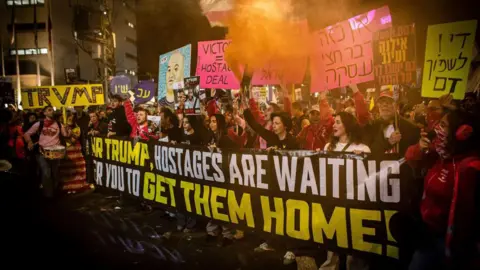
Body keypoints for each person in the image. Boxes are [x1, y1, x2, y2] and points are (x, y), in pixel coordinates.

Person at [406, 109, 480, 270]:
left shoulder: (469, 168)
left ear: (461, 133)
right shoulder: (441, 154)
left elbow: (464, 217)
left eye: (444, 125)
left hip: (448, 243)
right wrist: (420, 147)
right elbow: (410, 157)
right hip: (427, 234)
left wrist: (454, 250)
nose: (438, 128)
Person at [317, 112, 372, 270]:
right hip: (333, 199)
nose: (333, 125)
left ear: (348, 126)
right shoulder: (328, 147)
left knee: (353, 240)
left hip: (354, 202)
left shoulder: (362, 148)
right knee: (332, 238)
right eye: (334, 122)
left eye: (338, 122)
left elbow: (368, 178)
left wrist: (362, 160)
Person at [24, 106, 67, 199]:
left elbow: (65, 134)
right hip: (42, 152)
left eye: (52, 110)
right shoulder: (39, 124)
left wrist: (68, 129)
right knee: (46, 172)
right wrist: (29, 141)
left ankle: (54, 191)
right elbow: (27, 134)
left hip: (55, 153)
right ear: (44, 113)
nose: (51, 111)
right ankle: (48, 195)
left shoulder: (59, 124)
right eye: (49, 110)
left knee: (55, 173)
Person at [364, 90, 419, 156]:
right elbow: (369, 151)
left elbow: (413, 153)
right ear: (378, 106)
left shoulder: (410, 127)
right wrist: (389, 142)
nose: (384, 105)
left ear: (396, 105)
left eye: (389, 102)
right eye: (381, 102)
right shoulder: (372, 125)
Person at [59, 112, 89, 194]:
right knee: (67, 170)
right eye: (69, 119)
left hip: (75, 151)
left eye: (72, 119)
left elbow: (72, 140)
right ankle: (67, 187)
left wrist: (70, 132)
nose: (70, 120)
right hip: (66, 151)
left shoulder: (77, 128)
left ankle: (77, 186)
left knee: (76, 169)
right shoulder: (60, 127)